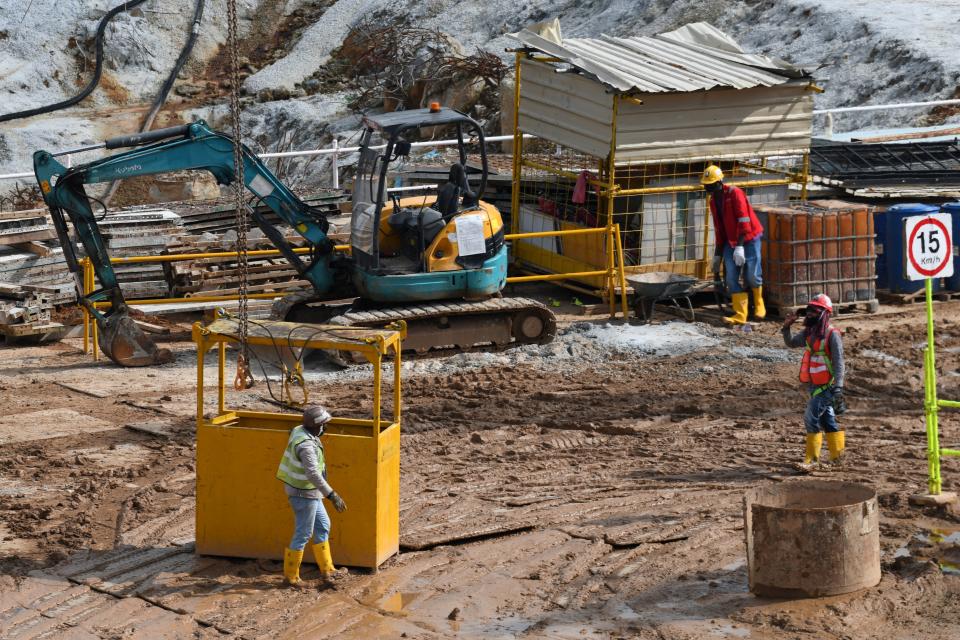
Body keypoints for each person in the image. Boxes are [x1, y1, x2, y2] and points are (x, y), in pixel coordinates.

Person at [276, 404, 348, 588]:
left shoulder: (300, 430)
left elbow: (292, 431)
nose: (325, 428)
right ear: (316, 426)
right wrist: (332, 495)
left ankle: (328, 570)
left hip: (310, 492)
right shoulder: (306, 445)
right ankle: (291, 577)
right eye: (323, 424)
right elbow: (313, 474)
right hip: (303, 493)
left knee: (323, 525)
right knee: (303, 533)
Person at [782, 294, 847, 469]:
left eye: (815, 310)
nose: (810, 313)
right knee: (827, 421)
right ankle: (838, 458)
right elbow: (791, 343)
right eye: (809, 310)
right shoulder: (809, 332)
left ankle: (811, 461)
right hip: (814, 385)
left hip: (827, 386)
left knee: (810, 418)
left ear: (825, 314)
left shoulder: (832, 335)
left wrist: (838, 388)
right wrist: (787, 327)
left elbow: (839, 362)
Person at [701, 165, 765, 324]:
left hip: (748, 238)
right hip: (730, 241)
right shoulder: (713, 202)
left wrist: (740, 246)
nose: (708, 187)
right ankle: (740, 315)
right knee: (730, 278)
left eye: (711, 184)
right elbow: (719, 229)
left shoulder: (735, 193)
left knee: (752, 274)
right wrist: (717, 255)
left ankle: (759, 304)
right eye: (706, 185)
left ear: (720, 182)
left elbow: (744, 221)